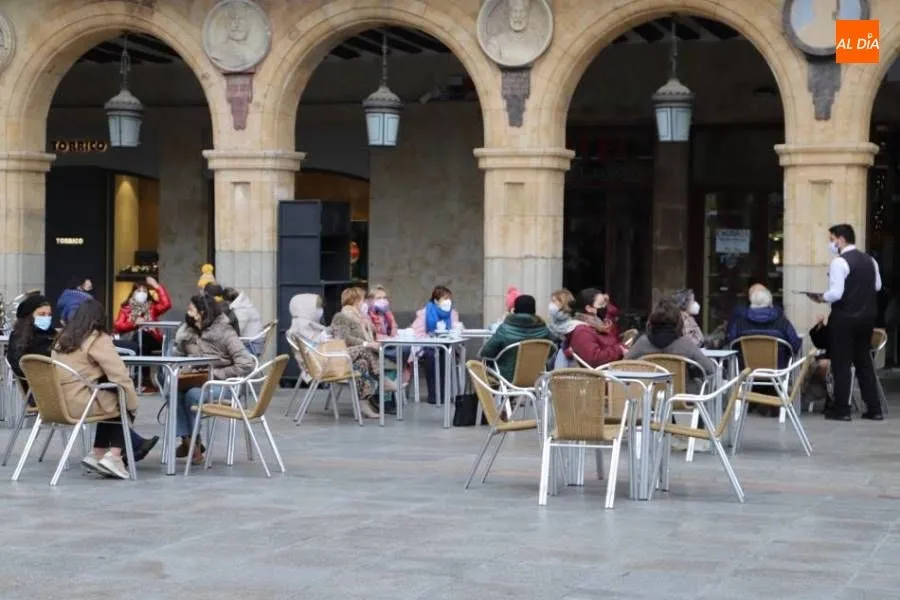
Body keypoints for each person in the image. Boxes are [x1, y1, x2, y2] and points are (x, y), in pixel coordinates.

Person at [52, 299, 159, 478]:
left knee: (109, 399)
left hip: (59, 402)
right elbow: (119, 374)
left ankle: (98, 452)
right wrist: (133, 403)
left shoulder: (62, 339)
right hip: (80, 403)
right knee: (122, 399)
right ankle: (114, 456)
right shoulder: (96, 338)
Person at [811, 223, 884, 421]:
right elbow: (877, 286)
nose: (830, 244)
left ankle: (842, 409)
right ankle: (874, 408)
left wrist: (821, 297)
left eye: (832, 239)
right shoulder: (870, 260)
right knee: (864, 363)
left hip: (843, 319)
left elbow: (836, 293)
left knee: (841, 364)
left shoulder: (839, 262)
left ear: (841, 240)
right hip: (867, 318)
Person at [173, 294, 255, 463]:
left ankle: (191, 446)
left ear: (202, 312)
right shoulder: (187, 333)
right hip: (193, 381)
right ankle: (191, 442)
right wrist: (185, 371)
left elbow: (246, 363)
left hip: (222, 385)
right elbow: (177, 358)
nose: (187, 311)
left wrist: (215, 374)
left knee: (192, 395)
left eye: (191, 308)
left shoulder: (224, 332)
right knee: (172, 393)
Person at [626, 298, 716, 391]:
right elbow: (710, 369)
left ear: (652, 320)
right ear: (678, 321)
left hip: (649, 394)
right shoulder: (685, 344)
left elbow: (623, 366)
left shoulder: (642, 342)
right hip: (681, 395)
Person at [331, 287, 393, 418]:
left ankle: (364, 405)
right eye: (363, 300)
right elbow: (343, 338)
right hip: (343, 356)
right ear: (356, 300)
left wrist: (369, 329)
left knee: (362, 364)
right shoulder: (341, 316)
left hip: (355, 359)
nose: (364, 303)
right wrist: (366, 343)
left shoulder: (360, 319)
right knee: (365, 349)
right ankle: (382, 380)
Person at [113, 276, 172, 391]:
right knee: (139, 340)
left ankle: (141, 379)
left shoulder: (152, 307)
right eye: (139, 290)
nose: (141, 293)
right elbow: (118, 325)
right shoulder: (126, 308)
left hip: (152, 338)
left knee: (143, 337)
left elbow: (166, 304)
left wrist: (156, 286)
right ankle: (140, 379)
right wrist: (134, 323)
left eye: (144, 291)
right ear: (133, 292)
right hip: (133, 340)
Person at [725, 284, 802, 368]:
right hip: (778, 372)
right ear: (770, 302)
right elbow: (795, 346)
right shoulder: (782, 323)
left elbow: (730, 343)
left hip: (747, 371)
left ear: (751, 301)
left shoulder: (739, 323)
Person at [480, 294, 552, 382]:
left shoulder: (505, 329)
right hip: (536, 378)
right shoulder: (545, 331)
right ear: (534, 310)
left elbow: (486, 352)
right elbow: (551, 351)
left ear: (515, 309)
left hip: (506, 379)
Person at [412, 285, 461, 404]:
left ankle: (444, 394)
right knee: (432, 356)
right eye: (445, 299)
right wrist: (431, 338)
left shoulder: (453, 313)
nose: (448, 301)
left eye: (449, 299)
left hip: (447, 346)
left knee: (446, 355)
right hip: (428, 346)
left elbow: (456, 330)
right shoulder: (425, 313)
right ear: (436, 300)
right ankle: (433, 395)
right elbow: (417, 332)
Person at [568, 288, 627, 368]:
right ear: (589, 308)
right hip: (603, 373)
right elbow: (594, 359)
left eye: (605, 303)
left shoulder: (599, 325)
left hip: (612, 368)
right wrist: (619, 349)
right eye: (601, 304)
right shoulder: (581, 331)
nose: (605, 306)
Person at [7, 294, 55, 382]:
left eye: (49, 315)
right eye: (42, 314)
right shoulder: (18, 337)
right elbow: (18, 366)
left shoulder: (53, 334)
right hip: (35, 384)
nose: (47, 318)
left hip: (57, 381)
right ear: (29, 316)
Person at [223, 287, 264, 354]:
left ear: (228, 301)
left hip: (252, 346)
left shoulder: (241, 310)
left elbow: (236, 332)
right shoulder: (244, 304)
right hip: (255, 341)